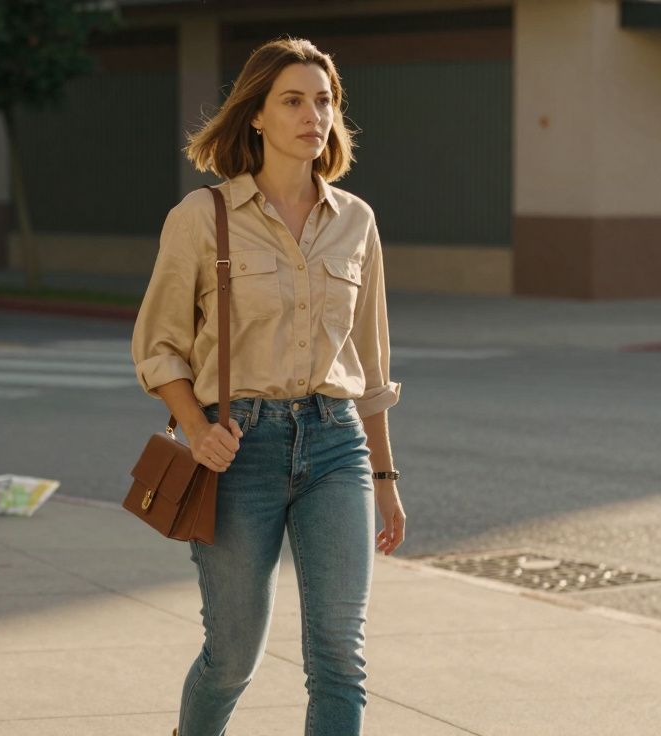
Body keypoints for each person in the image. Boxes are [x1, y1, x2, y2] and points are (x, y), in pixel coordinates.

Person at [131, 37, 406, 736]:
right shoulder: (203, 217)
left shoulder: (358, 222)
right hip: (236, 449)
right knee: (231, 657)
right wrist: (196, 428)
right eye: (293, 100)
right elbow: (158, 345)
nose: (313, 114)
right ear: (256, 115)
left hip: (335, 443)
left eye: (324, 101)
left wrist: (384, 474)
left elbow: (371, 367)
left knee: (340, 659)